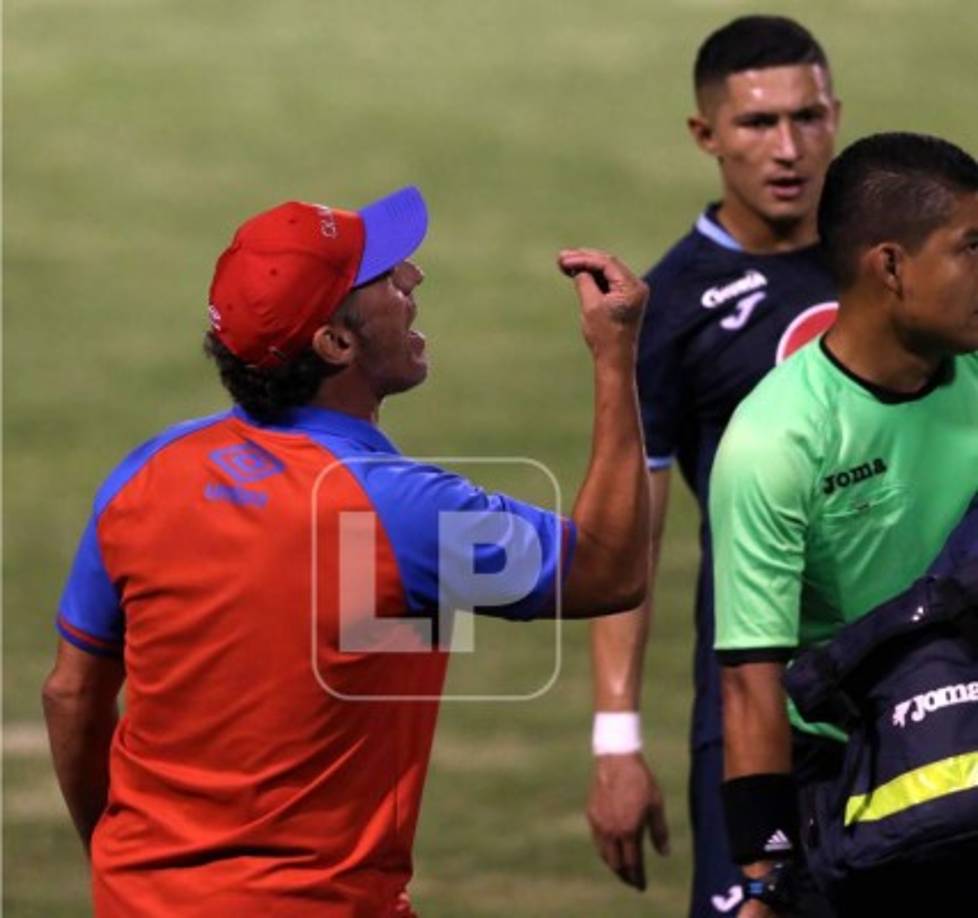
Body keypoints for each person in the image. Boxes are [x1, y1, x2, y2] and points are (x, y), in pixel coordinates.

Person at [42, 186, 653, 917]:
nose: (414, 278)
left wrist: (118, 859)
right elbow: (612, 572)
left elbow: (71, 694)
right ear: (335, 342)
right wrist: (616, 357)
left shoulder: (143, 474)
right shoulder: (398, 511)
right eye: (387, 278)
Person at [586, 16, 840, 916]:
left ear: (837, 117)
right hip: (750, 696)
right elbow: (629, 545)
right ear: (706, 136)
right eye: (757, 124)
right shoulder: (675, 308)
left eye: (808, 118)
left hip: (909, 681)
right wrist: (616, 740)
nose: (788, 148)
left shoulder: (894, 260)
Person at [711, 132, 978, 916]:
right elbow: (750, 681)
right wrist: (765, 880)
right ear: (891, 266)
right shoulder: (777, 442)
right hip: (854, 791)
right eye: (972, 247)